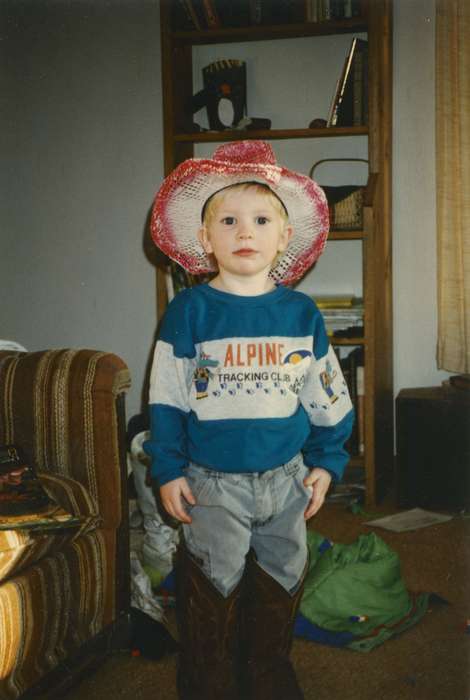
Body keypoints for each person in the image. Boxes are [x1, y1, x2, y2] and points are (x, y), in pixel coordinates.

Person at [144, 140, 354, 700]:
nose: (245, 232)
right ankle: (210, 685)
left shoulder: (300, 314)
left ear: (284, 238)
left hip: (286, 479)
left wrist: (327, 464)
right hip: (212, 482)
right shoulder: (189, 312)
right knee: (213, 588)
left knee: (282, 581)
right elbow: (165, 397)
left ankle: (268, 680)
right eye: (229, 220)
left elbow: (326, 395)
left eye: (262, 220)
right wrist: (167, 469)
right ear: (205, 238)